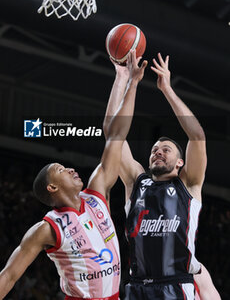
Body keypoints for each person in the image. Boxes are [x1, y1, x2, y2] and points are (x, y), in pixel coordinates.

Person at [0, 51, 147, 300]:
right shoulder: (46, 228)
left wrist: (125, 80)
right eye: (60, 170)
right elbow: (9, 275)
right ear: (52, 188)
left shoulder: (97, 193)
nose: (69, 169)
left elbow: (115, 136)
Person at [103, 53, 207, 300]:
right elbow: (112, 135)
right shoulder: (136, 181)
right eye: (154, 150)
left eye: (166, 150)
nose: (158, 152)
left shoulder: (188, 184)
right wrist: (124, 80)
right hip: (136, 287)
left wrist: (167, 89)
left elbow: (198, 136)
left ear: (180, 162)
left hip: (175, 286)